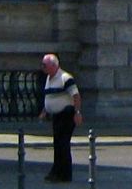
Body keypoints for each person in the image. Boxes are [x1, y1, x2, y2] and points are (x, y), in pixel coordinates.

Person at [37, 53, 81, 183]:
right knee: (57, 144)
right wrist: (45, 110)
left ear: (53, 65)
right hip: (56, 116)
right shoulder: (49, 78)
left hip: (66, 114)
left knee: (63, 144)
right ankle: (56, 172)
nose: (42, 68)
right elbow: (50, 97)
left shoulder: (65, 78)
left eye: (44, 65)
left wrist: (77, 112)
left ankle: (65, 174)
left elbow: (76, 96)